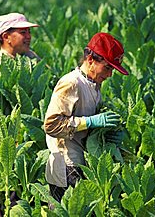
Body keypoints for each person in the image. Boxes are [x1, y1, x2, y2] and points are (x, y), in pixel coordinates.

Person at [44, 32, 129, 203]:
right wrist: (90, 121)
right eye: (107, 68)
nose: (110, 74)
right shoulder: (72, 83)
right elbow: (51, 125)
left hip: (81, 162)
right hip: (66, 164)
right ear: (90, 60)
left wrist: (105, 132)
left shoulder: (94, 85)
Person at [0, 12, 40, 83]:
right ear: (6, 37)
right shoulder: (0, 69)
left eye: (29, 32)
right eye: (23, 32)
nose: (29, 36)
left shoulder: (30, 55)